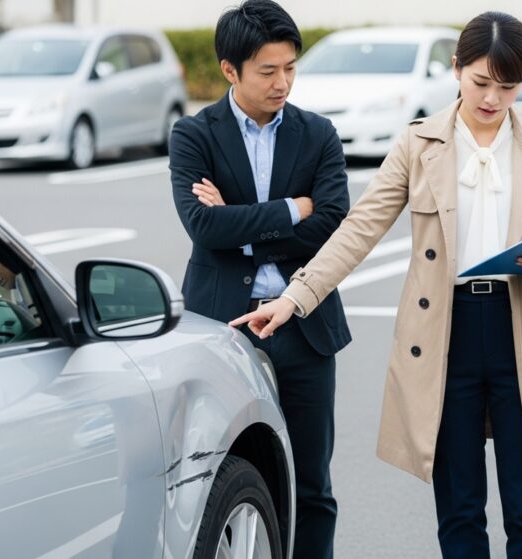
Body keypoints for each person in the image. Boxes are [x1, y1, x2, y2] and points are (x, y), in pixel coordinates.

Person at [231, 12, 522, 558]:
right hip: (447, 332)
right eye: (481, 82)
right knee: (460, 509)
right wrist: (294, 298)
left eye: (508, 87)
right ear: (456, 69)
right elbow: (359, 229)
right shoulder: (420, 144)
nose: (493, 99)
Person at [168, 1, 351, 556]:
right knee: (222, 473)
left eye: (290, 68)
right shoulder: (193, 134)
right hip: (225, 327)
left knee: (313, 483)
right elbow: (202, 224)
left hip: (305, 324)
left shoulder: (317, 134)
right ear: (230, 70)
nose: (283, 83)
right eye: (268, 71)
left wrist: (240, 219)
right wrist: (289, 208)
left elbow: (330, 223)